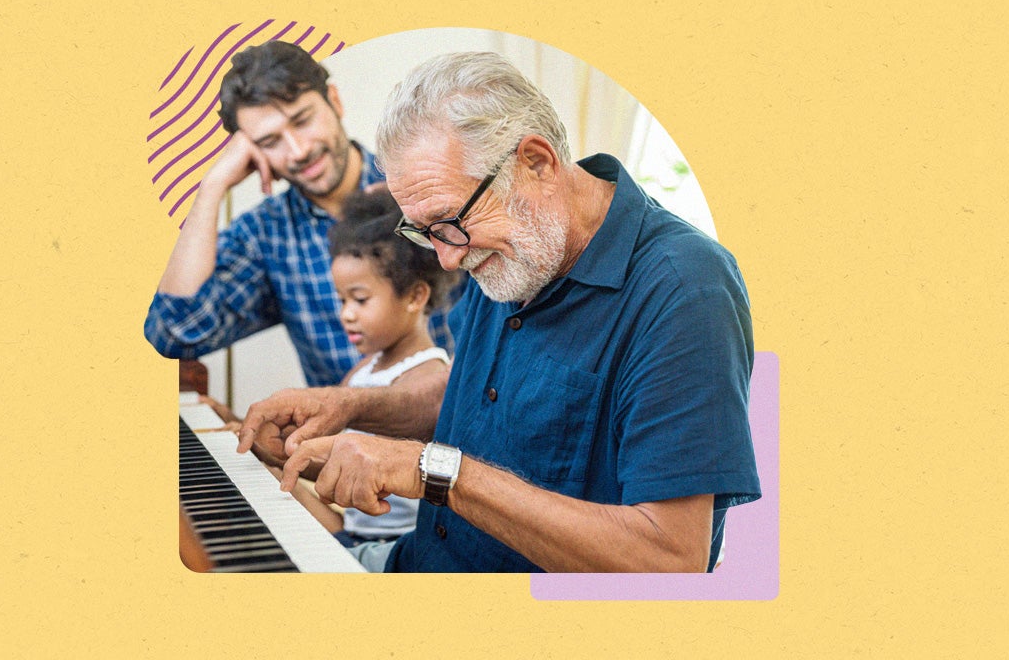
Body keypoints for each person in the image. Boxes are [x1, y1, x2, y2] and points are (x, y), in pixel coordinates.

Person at [240, 51, 761, 573]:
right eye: (423, 231)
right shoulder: (516, 251)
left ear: (536, 161)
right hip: (421, 560)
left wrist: (432, 471)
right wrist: (353, 407)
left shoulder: (684, 287)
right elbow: (477, 397)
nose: (446, 257)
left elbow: (669, 561)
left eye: (449, 223)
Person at [144, 40, 455, 389]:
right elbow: (174, 334)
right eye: (269, 141)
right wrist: (211, 188)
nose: (298, 151)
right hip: (338, 439)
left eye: (302, 120)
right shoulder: (266, 234)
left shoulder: (417, 187)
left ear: (334, 101)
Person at [323, 189, 459, 547]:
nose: (346, 314)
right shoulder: (364, 370)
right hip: (355, 529)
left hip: (394, 543)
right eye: (342, 300)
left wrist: (281, 450)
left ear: (415, 296)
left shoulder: (428, 376)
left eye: (360, 299)